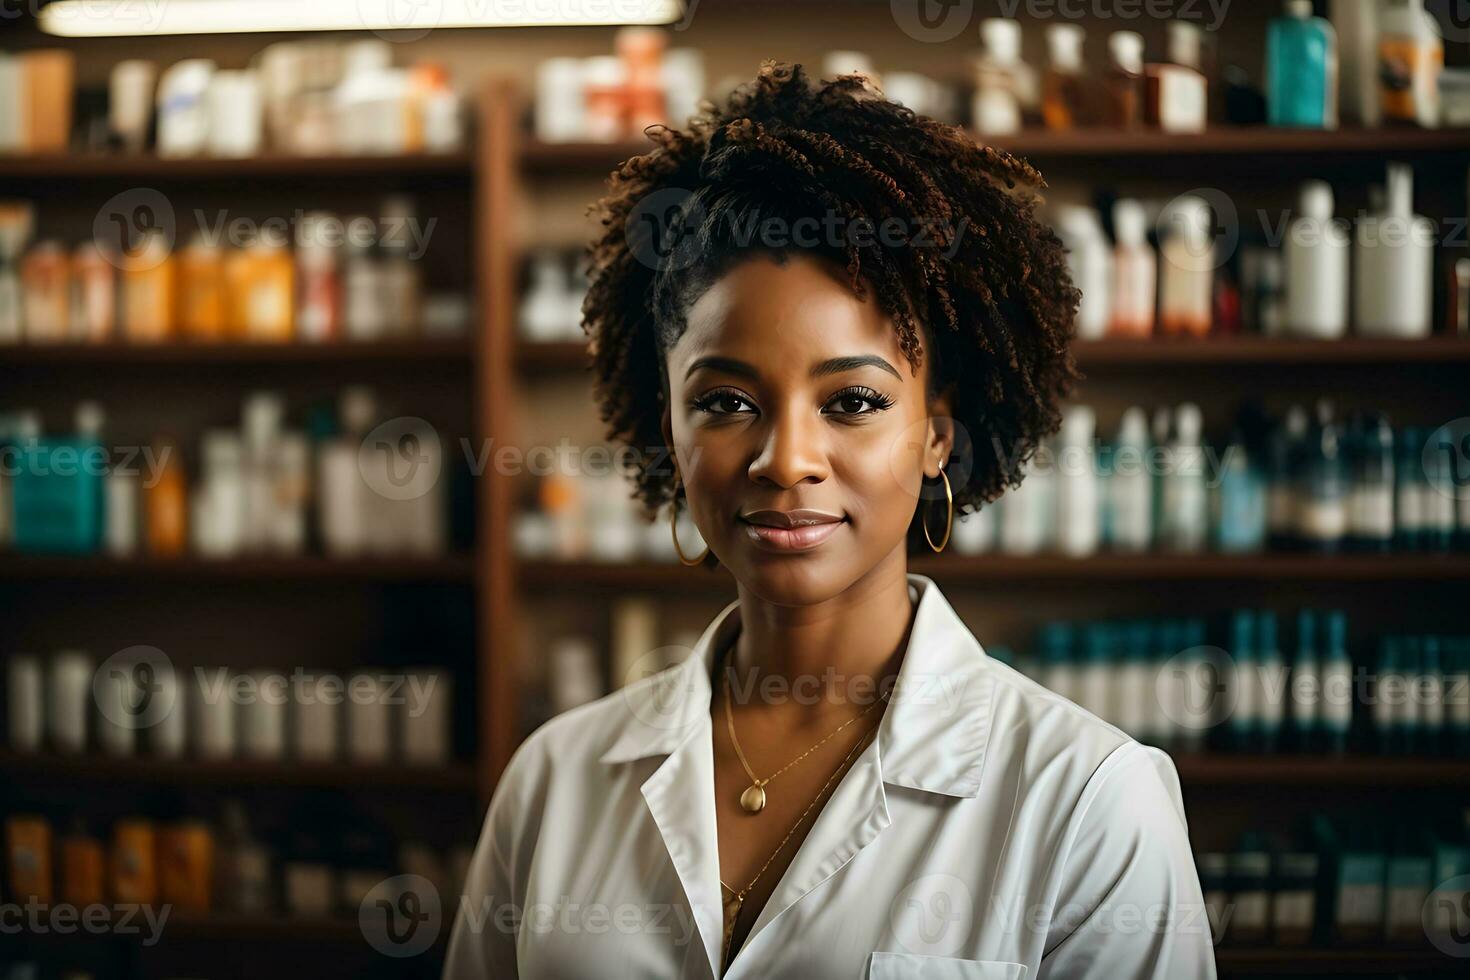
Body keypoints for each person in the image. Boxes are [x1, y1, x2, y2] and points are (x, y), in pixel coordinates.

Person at [445, 61, 1216, 979]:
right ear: (670, 433)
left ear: (937, 435)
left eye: (852, 401)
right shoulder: (555, 780)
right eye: (727, 403)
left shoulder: (1087, 799)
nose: (785, 458)